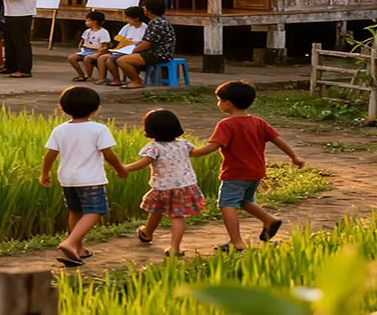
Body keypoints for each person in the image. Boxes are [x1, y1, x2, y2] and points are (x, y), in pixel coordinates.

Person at [190, 81, 305, 252]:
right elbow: (277, 140)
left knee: (226, 204)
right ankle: (269, 220)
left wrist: (191, 152)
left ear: (228, 103)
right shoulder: (258, 122)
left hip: (235, 173)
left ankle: (236, 242)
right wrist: (293, 156)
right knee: (245, 201)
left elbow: (212, 146)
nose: (218, 103)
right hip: (256, 171)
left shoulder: (226, 125)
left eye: (219, 100)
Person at [39, 86, 128, 267]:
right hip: (90, 179)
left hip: (67, 179)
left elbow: (50, 155)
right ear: (96, 109)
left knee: (75, 211)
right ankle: (70, 242)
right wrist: (120, 169)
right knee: (95, 211)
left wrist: (44, 173)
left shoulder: (60, 130)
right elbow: (108, 154)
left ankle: (78, 249)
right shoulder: (98, 129)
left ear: (62, 108)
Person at [124, 109, 205, 257]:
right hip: (185, 186)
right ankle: (148, 233)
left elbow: (143, 163)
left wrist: (125, 168)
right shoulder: (184, 144)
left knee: (165, 212)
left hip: (164, 187)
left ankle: (173, 247)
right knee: (167, 213)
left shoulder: (154, 147)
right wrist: (216, 145)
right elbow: (198, 152)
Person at [116, 0, 176, 89]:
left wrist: (131, 51)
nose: (143, 11)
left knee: (122, 60)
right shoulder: (158, 21)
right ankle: (137, 79)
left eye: (144, 9)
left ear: (150, 11)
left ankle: (137, 81)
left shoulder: (157, 23)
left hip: (159, 54)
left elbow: (147, 44)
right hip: (156, 51)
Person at [97, 6, 147, 86]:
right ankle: (107, 78)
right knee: (102, 57)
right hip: (123, 49)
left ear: (136, 18)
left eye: (127, 17)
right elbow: (119, 40)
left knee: (110, 59)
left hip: (134, 50)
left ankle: (128, 79)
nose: (125, 19)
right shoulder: (127, 27)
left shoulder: (145, 28)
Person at [69, 11, 110, 82]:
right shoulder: (87, 31)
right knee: (72, 58)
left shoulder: (103, 32)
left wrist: (98, 52)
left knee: (87, 58)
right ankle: (81, 75)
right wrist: (81, 46)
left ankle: (89, 75)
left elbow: (104, 46)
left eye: (88, 20)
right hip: (86, 50)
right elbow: (83, 40)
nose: (86, 22)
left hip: (97, 51)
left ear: (95, 22)